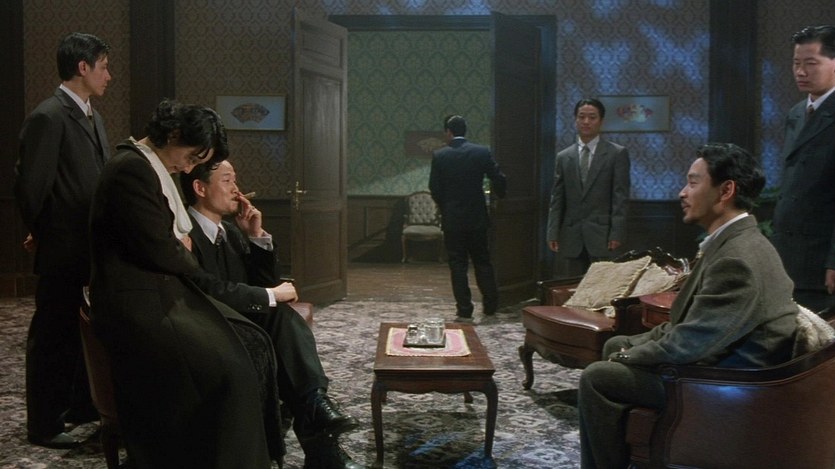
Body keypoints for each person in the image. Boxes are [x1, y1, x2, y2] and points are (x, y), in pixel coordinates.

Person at [577, 143, 798, 469]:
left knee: (598, 377)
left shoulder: (737, 257)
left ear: (726, 191)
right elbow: (688, 326)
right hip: (718, 363)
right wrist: (628, 348)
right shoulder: (733, 242)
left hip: (727, 384)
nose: (682, 192)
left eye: (693, 182)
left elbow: (690, 342)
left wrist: (626, 357)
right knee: (616, 342)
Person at [88, 99, 283, 468]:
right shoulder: (131, 168)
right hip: (139, 305)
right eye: (192, 156)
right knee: (231, 369)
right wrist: (185, 252)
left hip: (159, 293)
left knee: (251, 344)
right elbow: (160, 248)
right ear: (174, 133)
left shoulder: (145, 167)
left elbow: (166, 244)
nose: (189, 166)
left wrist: (180, 248)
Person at [180, 160, 365, 469]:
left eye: (235, 180)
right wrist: (272, 295)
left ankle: (316, 417)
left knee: (283, 322)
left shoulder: (230, 231)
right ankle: (318, 422)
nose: (236, 189)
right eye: (227, 180)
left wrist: (255, 236)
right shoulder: (185, 232)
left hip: (243, 319)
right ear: (199, 187)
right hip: (207, 325)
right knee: (282, 318)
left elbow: (263, 281)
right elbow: (207, 288)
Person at [13, 32, 112, 448]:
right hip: (63, 249)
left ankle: (78, 408)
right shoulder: (49, 116)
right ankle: (44, 425)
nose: (109, 75)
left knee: (80, 333)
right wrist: (43, 232)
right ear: (82, 67)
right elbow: (31, 188)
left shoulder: (93, 117)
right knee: (53, 336)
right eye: (103, 66)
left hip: (88, 249)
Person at [771, 25, 835, 316]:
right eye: (796, 63)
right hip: (789, 251)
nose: (800, 71)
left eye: (811, 63)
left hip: (823, 255)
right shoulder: (797, 113)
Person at [429, 115, 507, 322]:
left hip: (453, 219)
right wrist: (501, 195)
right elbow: (498, 178)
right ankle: (490, 304)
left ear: (448, 132)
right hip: (477, 217)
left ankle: (464, 308)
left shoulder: (440, 155)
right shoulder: (481, 152)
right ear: (465, 130)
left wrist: (446, 207)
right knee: (482, 261)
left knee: (457, 264)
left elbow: (434, 188)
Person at [546, 98, 631, 277]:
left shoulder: (616, 154)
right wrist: (552, 232)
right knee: (572, 285)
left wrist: (616, 233)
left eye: (592, 117)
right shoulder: (564, 156)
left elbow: (620, 198)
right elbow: (557, 198)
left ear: (601, 121)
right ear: (575, 120)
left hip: (602, 235)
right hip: (571, 234)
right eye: (581, 117)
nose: (586, 122)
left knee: (601, 285)